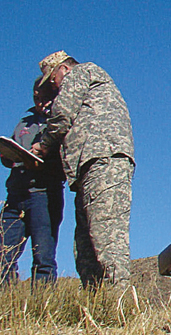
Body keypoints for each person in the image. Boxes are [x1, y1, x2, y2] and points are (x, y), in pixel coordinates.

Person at [32, 51, 135, 288]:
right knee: (85, 245)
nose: (54, 87)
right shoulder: (86, 81)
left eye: (52, 80)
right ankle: (97, 304)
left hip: (104, 160)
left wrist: (44, 145)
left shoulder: (81, 72)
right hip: (88, 167)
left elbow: (62, 114)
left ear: (64, 69)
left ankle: (119, 307)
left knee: (107, 238)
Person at [0, 77, 65, 288]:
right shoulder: (24, 123)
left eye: (44, 97)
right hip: (16, 195)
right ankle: (6, 308)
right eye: (36, 97)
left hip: (44, 194)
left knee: (43, 257)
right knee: (1, 256)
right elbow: (11, 152)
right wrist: (7, 156)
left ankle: (40, 310)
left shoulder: (60, 121)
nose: (40, 102)